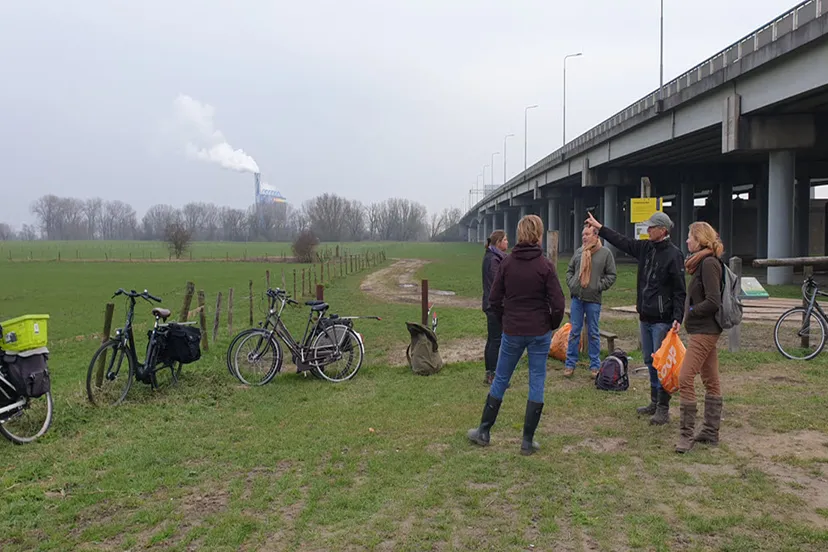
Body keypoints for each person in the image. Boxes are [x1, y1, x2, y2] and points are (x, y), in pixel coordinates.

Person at [467, 214, 566, 455]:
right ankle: (527, 440)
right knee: (537, 380)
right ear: (538, 235)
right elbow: (558, 303)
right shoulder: (545, 266)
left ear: (520, 234)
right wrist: (550, 324)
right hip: (539, 332)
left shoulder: (507, 263)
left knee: (501, 378)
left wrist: (505, 320)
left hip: (512, 331)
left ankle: (484, 431)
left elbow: (494, 299)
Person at [584, 210, 686, 425]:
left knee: (660, 364)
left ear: (663, 230)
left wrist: (678, 317)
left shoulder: (674, 255)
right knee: (649, 360)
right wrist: (601, 228)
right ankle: (653, 401)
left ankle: (663, 408)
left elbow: (679, 290)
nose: (647, 230)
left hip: (662, 319)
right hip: (645, 316)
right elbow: (622, 242)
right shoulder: (646, 248)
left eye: (651, 227)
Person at [675, 221, 724, 453]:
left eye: (689, 237)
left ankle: (686, 435)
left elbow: (714, 301)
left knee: (684, 378)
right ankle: (710, 431)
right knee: (710, 379)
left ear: (700, 239)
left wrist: (693, 311)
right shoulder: (701, 263)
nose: (687, 241)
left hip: (705, 330)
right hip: (702, 329)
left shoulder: (709, 264)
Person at [564, 224, 617, 377]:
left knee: (593, 332)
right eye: (583, 235)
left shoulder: (605, 253)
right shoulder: (579, 252)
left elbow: (611, 275)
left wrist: (598, 286)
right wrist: (572, 283)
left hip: (593, 299)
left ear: (596, 236)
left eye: (587, 234)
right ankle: (570, 364)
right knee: (574, 331)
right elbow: (569, 270)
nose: (584, 237)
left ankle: (595, 365)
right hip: (577, 298)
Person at [481, 230, 509, 385]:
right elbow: (498, 283)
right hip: (494, 306)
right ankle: (493, 375)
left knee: (492, 339)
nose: (507, 242)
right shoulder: (493, 260)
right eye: (505, 240)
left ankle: (490, 373)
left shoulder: (493, 257)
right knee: (495, 341)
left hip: (491, 304)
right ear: (498, 242)